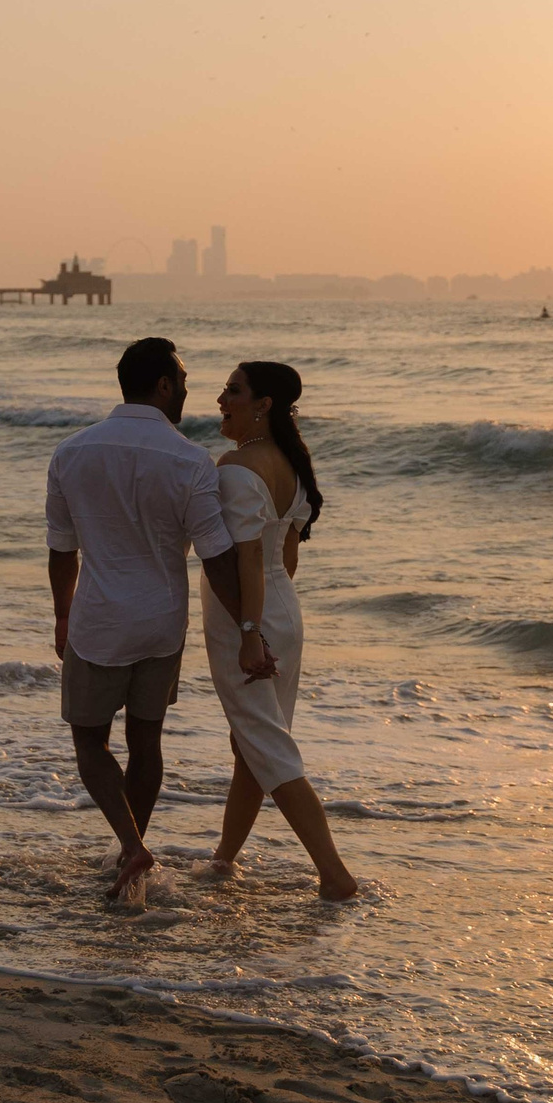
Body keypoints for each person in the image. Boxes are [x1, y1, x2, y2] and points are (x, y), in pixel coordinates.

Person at [46, 337, 252, 903]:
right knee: (146, 740)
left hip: (97, 619)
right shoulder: (190, 460)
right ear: (163, 385)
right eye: (182, 381)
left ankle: (131, 846)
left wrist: (62, 616)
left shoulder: (71, 452)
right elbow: (217, 556)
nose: (187, 390)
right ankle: (129, 855)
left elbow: (62, 548)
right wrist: (249, 628)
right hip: (162, 620)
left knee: (90, 741)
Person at [197, 362, 358, 900]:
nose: (222, 399)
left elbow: (246, 558)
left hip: (246, 618)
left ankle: (335, 875)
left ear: (263, 404)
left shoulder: (237, 467)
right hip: (282, 611)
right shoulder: (291, 462)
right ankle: (223, 860)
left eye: (233, 391)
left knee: (268, 746)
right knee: (254, 745)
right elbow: (286, 559)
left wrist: (249, 632)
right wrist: (268, 622)